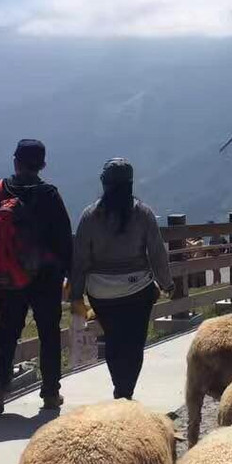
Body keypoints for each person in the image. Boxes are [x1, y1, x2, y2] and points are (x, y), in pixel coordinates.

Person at [0, 138, 73, 416]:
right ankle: (51, 394)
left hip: (8, 277)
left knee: (7, 332)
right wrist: (69, 272)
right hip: (46, 278)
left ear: (15, 161)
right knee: (49, 333)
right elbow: (65, 239)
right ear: (41, 165)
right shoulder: (49, 194)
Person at [71, 159, 173, 400]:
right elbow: (157, 253)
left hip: (101, 293)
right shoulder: (142, 213)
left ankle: (120, 388)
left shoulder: (90, 215)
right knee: (135, 343)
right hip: (138, 289)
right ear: (130, 184)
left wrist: (76, 293)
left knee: (114, 341)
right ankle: (126, 391)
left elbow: (80, 258)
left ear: (104, 183)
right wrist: (167, 283)